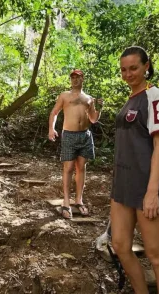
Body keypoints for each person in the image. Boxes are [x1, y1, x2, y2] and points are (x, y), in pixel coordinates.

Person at [110, 46, 159, 293]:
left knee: (157, 256)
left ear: (146, 66)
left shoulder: (155, 95)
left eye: (134, 68)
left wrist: (152, 192)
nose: (128, 74)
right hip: (122, 185)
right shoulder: (130, 99)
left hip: (146, 184)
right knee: (120, 245)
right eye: (124, 70)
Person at [48, 69, 103, 219]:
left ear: (82, 79)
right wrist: (51, 128)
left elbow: (93, 119)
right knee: (68, 168)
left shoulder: (88, 98)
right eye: (72, 77)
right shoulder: (64, 96)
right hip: (69, 135)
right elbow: (54, 112)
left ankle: (79, 200)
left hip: (85, 135)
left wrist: (100, 107)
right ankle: (66, 202)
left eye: (77, 77)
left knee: (81, 168)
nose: (74, 79)